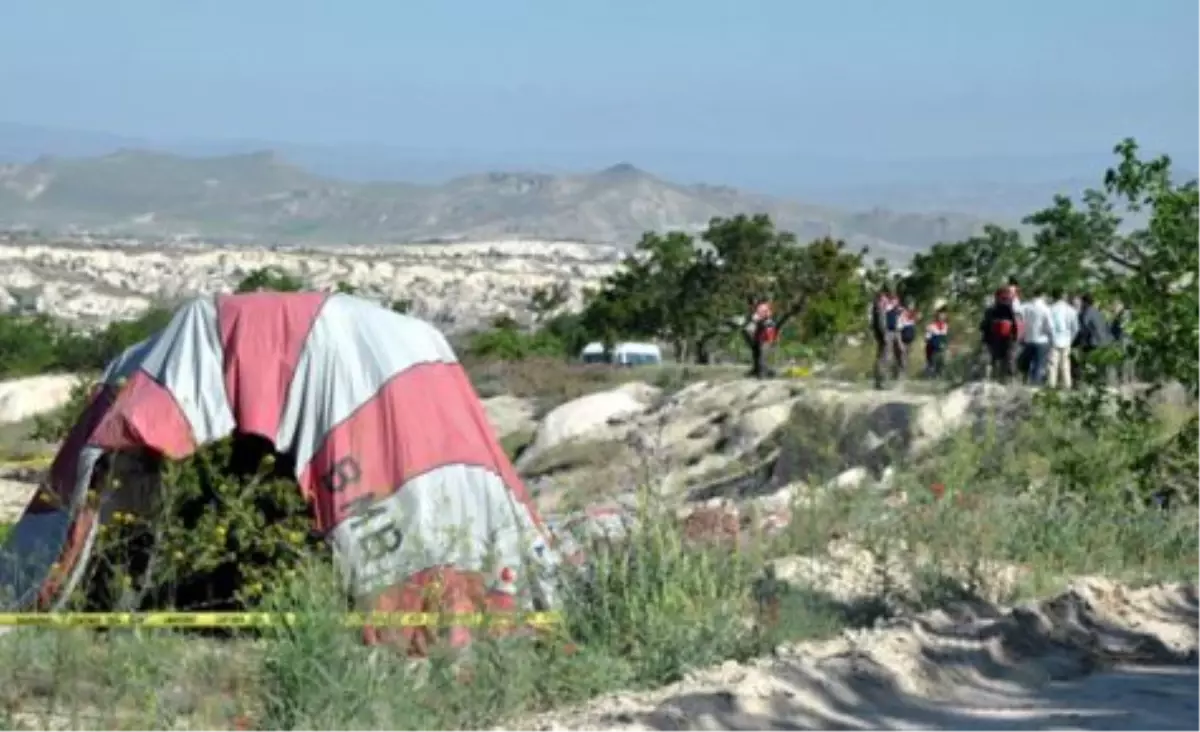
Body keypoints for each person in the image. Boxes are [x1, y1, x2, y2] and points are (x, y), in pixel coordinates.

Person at [980, 287, 1020, 383]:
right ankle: (1009, 380)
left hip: (993, 340)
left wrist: (985, 338)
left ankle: (991, 380)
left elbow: (983, 326)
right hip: (1008, 340)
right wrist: (1015, 337)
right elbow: (1015, 326)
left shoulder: (990, 310)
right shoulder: (1011, 309)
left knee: (992, 360)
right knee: (1008, 360)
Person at [871, 287, 905, 389]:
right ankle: (879, 381)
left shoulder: (894, 301)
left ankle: (898, 375)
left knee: (900, 352)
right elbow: (881, 318)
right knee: (884, 356)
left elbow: (898, 313)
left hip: (895, 330)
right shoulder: (882, 301)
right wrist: (883, 332)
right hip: (886, 331)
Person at [1077, 293, 1114, 384]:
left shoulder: (1087, 312)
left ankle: (1092, 382)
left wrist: (1080, 341)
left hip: (1094, 342)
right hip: (1106, 341)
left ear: (1085, 302)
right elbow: (1107, 326)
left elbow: (1083, 327)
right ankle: (1107, 382)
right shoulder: (1099, 312)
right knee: (1103, 364)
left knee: (1090, 364)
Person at [1047, 288, 1079, 390]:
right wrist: (1071, 338)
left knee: (1052, 365)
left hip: (1054, 340)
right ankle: (1067, 385)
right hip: (1067, 339)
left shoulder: (1051, 309)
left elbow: (1048, 326)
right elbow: (1075, 328)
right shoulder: (1071, 310)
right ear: (1063, 296)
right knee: (1065, 364)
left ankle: (1051, 385)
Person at [1021, 288, 1053, 385]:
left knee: (1027, 363)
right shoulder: (1045, 308)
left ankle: (1025, 381)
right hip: (1041, 340)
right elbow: (1050, 326)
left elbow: (1021, 322)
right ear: (1042, 295)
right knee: (1039, 364)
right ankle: (1035, 385)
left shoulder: (1026, 307)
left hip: (1028, 339)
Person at [924, 309, 950, 378]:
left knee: (942, 361)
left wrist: (945, 345)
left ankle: (940, 374)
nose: (942, 317)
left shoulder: (945, 326)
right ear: (937, 317)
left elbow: (945, 337)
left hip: (941, 346)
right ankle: (930, 374)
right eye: (940, 316)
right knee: (931, 362)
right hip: (932, 346)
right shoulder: (931, 326)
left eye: (943, 316)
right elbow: (927, 337)